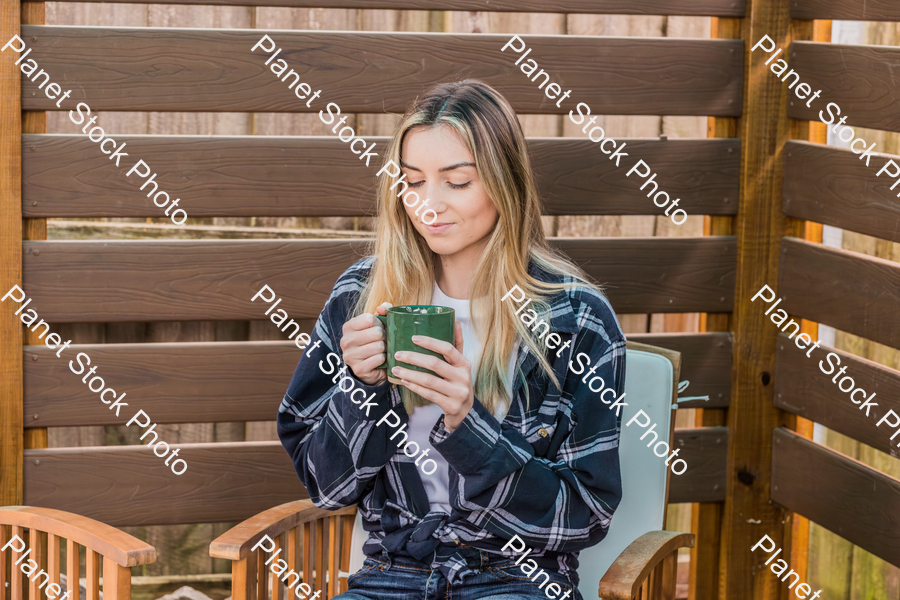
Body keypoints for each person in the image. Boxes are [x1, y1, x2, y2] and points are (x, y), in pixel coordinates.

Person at [278, 79, 626, 600]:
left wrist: (470, 427)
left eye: (457, 182)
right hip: (392, 577)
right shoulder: (362, 295)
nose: (428, 205)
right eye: (412, 181)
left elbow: (585, 516)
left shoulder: (577, 320)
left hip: (518, 580)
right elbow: (327, 488)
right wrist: (360, 388)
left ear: (505, 184)